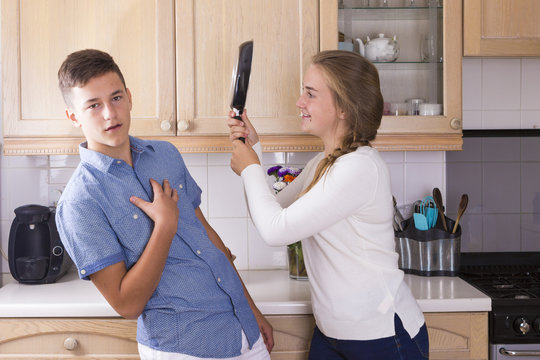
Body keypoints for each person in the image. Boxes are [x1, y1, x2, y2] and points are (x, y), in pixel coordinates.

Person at [55, 49, 273, 360]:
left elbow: (209, 241)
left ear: (129, 98)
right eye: (93, 105)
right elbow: (127, 305)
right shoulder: (79, 202)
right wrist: (165, 227)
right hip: (183, 349)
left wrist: (251, 311)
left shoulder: (166, 155)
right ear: (73, 117)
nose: (110, 114)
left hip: (244, 334)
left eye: (116, 98)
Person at [226, 50, 429, 359]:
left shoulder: (360, 167)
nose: (299, 102)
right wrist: (254, 150)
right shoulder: (325, 162)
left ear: (344, 108)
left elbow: (274, 231)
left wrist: (251, 166)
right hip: (331, 333)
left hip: (382, 336)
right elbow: (268, 213)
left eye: (310, 94)